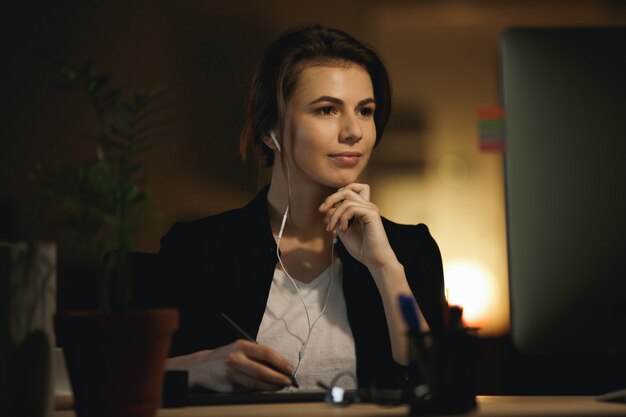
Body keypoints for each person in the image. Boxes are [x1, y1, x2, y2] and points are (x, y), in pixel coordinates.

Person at [160, 24, 448, 393]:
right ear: (270, 131)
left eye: (365, 110)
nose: (354, 131)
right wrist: (197, 368)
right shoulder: (198, 248)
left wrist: (385, 268)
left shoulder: (410, 249)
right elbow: (126, 380)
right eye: (327, 110)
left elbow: (435, 378)